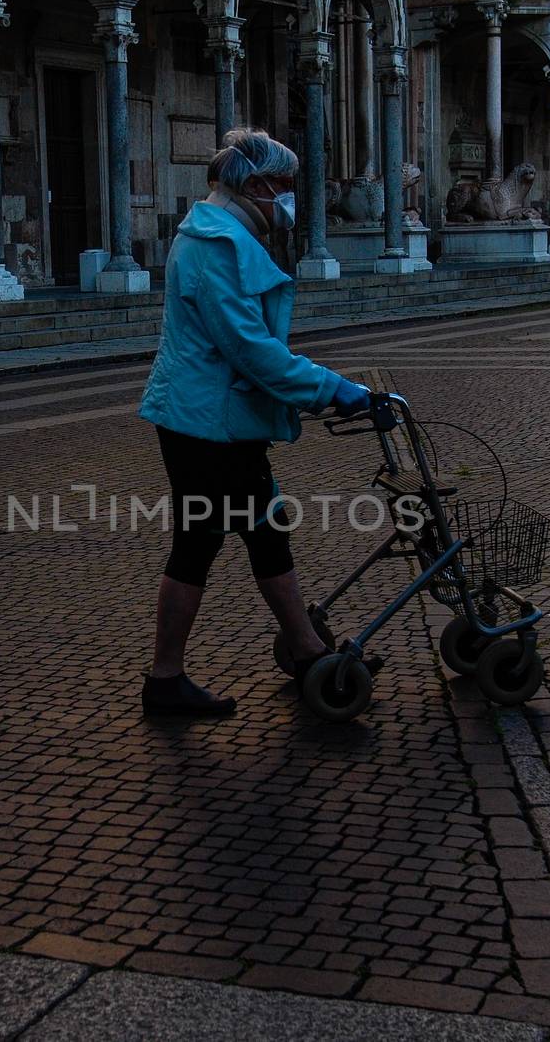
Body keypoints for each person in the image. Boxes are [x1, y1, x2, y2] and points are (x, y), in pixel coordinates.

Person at [137, 128, 371, 717]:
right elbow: (251, 349)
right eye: (285, 186)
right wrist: (335, 390)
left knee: (265, 528)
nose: (289, 198)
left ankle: (305, 646)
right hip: (205, 426)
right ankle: (167, 679)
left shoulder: (221, 234)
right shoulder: (215, 244)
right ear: (255, 184)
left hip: (215, 419)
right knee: (201, 543)